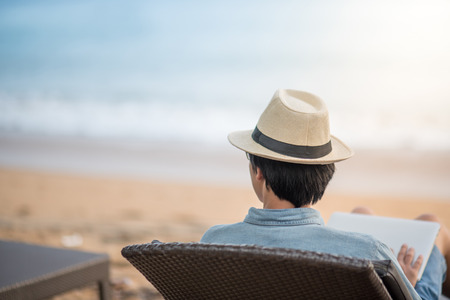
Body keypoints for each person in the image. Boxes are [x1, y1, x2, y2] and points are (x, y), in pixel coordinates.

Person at [200, 89, 449, 299]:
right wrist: (406, 282)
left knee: (361, 215)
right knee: (434, 226)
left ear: (258, 171)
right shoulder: (368, 254)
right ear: (324, 176)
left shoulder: (213, 242)